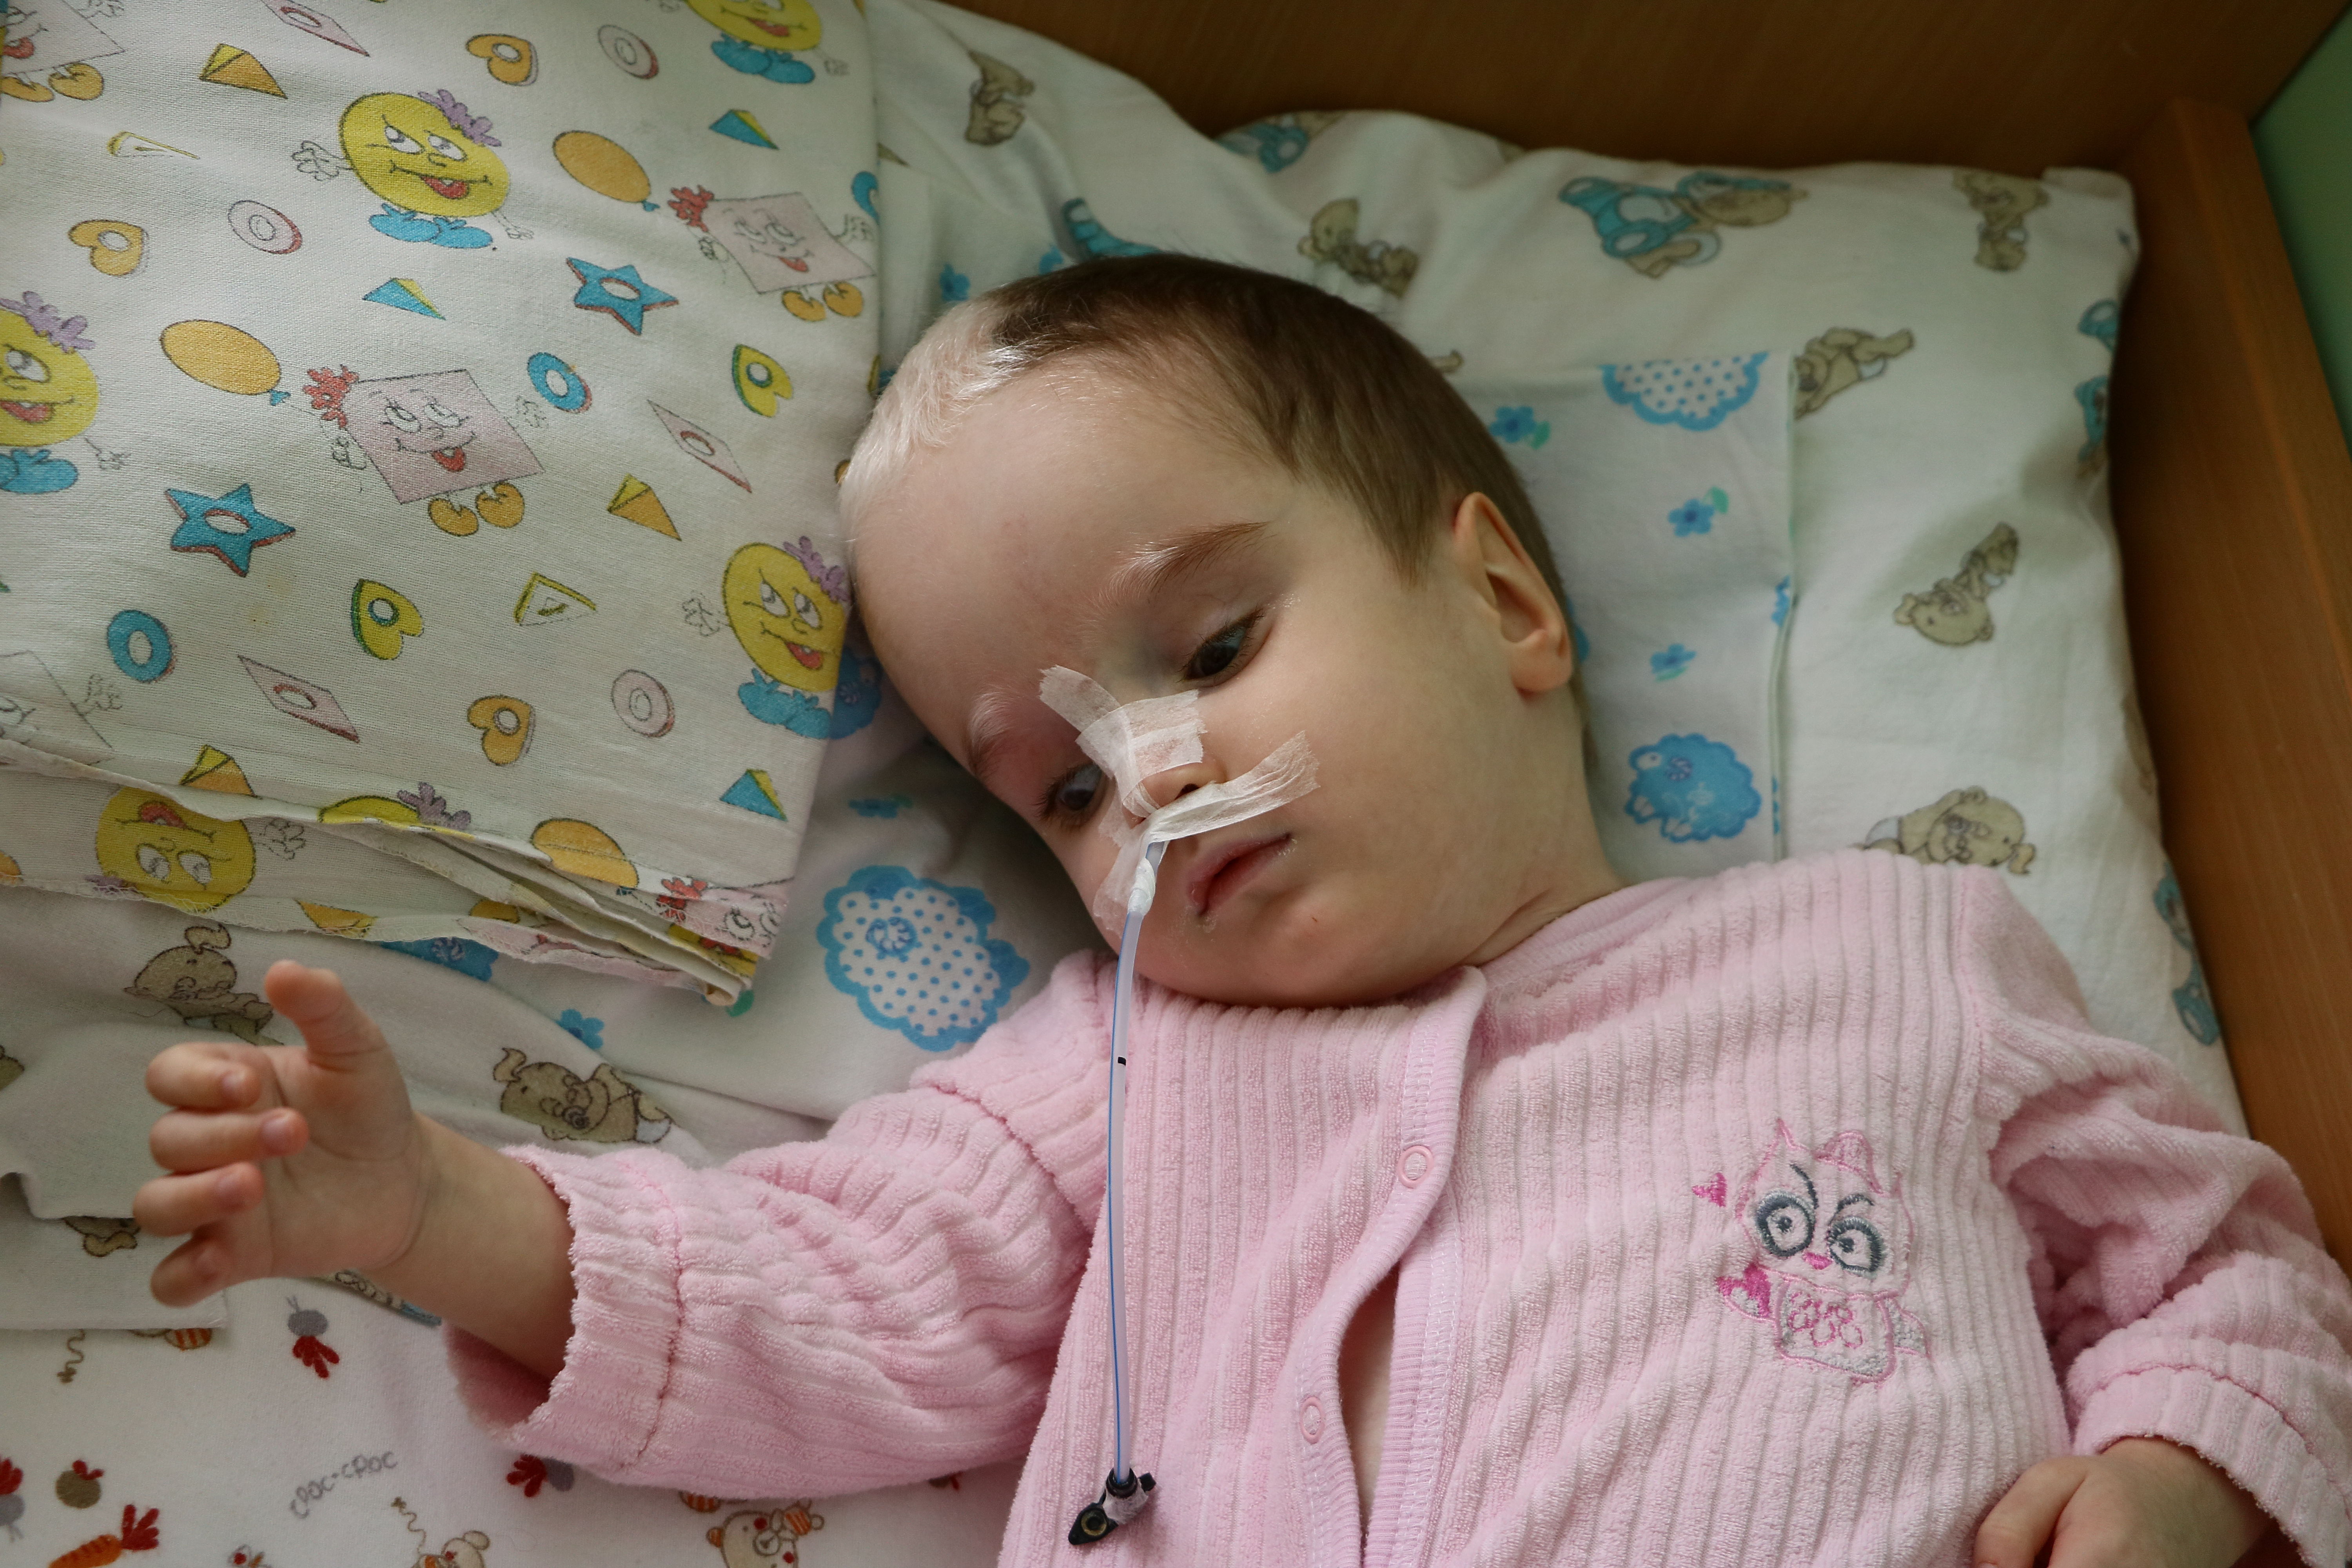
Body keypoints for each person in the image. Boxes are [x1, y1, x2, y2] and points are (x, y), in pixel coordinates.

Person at [134, 256, 2352, 1567]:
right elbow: (831, 1293)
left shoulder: (1889, 962)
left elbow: (2227, 1269)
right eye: (1063, 784)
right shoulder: (1121, 1075)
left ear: (1502, 602)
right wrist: (434, 1214)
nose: (1159, 778)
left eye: (1210, 651)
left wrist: (2176, 1476)